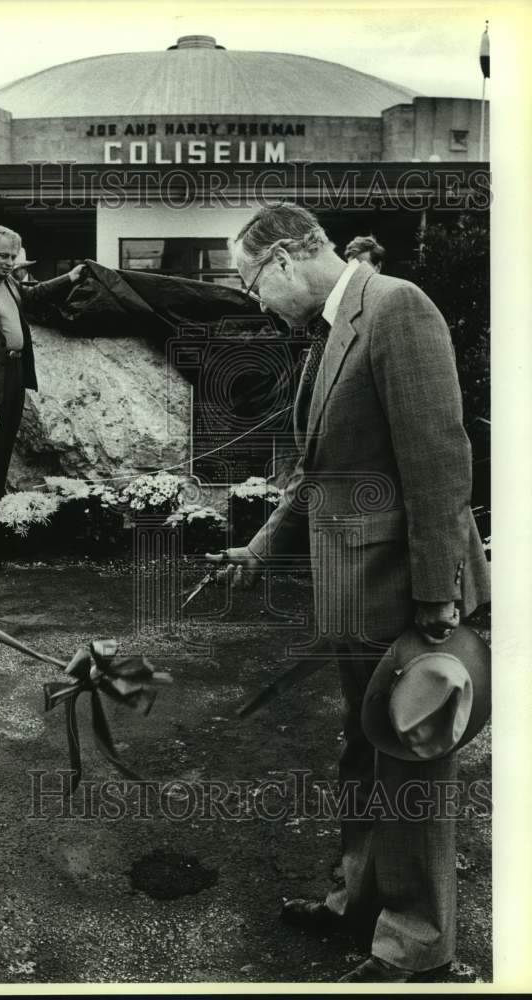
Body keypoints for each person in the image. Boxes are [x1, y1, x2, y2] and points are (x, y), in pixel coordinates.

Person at [208, 202, 490, 983]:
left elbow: (438, 462)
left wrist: (438, 595)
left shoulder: (397, 308)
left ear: (285, 259)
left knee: (412, 770)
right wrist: (259, 551)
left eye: (251, 283)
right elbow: (319, 471)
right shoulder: (335, 327)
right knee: (367, 756)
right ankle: (359, 907)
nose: (256, 301)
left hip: (405, 593)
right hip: (359, 593)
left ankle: (417, 947)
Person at [0, 225, 85, 570]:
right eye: (3, 256)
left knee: (1, 461)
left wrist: (69, 277)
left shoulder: (10, 283)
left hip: (14, 378)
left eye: (13, 256)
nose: (10, 262)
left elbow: (35, 294)